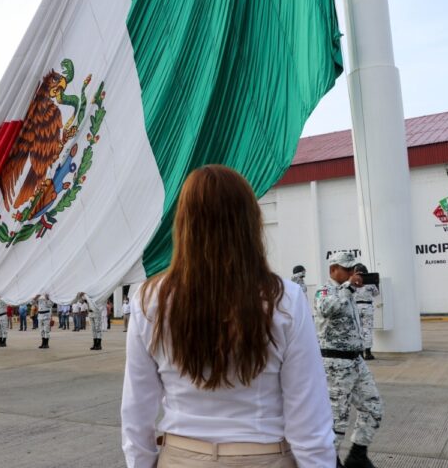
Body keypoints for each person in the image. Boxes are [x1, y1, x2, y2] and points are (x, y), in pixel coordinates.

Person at [121, 165, 335, 467]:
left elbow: (136, 410)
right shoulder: (284, 299)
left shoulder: (149, 299)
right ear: (250, 223)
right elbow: (308, 415)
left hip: (182, 456)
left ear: (183, 224)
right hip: (264, 455)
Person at [314, 252, 383, 468]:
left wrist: (351, 289)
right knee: (337, 421)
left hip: (356, 361)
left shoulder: (350, 292)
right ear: (333, 270)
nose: (351, 273)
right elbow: (326, 309)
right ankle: (329, 462)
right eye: (346, 269)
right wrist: (349, 288)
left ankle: (357, 456)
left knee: (373, 408)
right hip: (335, 365)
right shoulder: (325, 291)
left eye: (353, 269)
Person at [353, 264, 379, 361]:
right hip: (367, 307)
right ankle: (368, 353)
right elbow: (376, 293)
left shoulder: (352, 281)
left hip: (355, 307)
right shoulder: (370, 282)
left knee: (357, 330)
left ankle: (360, 353)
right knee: (367, 330)